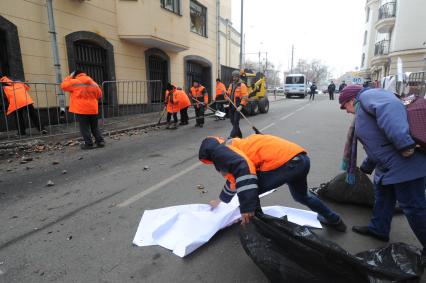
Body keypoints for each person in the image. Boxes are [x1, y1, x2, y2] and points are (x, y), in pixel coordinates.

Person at [339, 84, 426, 250]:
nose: (346, 111)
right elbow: (376, 142)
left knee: (414, 208)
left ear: (352, 99)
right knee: (383, 197)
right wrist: (366, 166)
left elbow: (391, 108)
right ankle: (378, 229)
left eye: (345, 106)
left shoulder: (368, 96)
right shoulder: (364, 107)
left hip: (406, 162)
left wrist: (404, 144)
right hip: (388, 164)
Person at [199, 134, 347, 231]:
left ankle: (260, 230)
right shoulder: (235, 145)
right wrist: (220, 200)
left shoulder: (220, 153)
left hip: (287, 165)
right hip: (301, 160)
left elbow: (244, 169)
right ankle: (334, 220)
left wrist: (247, 208)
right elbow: (235, 180)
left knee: (250, 192)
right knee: (302, 196)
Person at [61, 70, 105, 150]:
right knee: (94, 126)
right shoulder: (93, 83)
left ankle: (89, 144)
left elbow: (63, 86)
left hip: (81, 109)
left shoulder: (75, 82)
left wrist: (69, 77)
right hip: (93, 109)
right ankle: (100, 141)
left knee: (84, 127)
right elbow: (99, 95)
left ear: (75, 75)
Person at [227, 70, 248, 138]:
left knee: (236, 122)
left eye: (235, 77)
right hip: (231, 106)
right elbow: (228, 94)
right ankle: (239, 136)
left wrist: (241, 106)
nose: (234, 78)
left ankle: (231, 136)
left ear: (238, 77)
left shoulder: (242, 85)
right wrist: (225, 94)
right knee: (232, 121)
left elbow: (245, 97)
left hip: (238, 107)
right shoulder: (231, 85)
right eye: (233, 77)